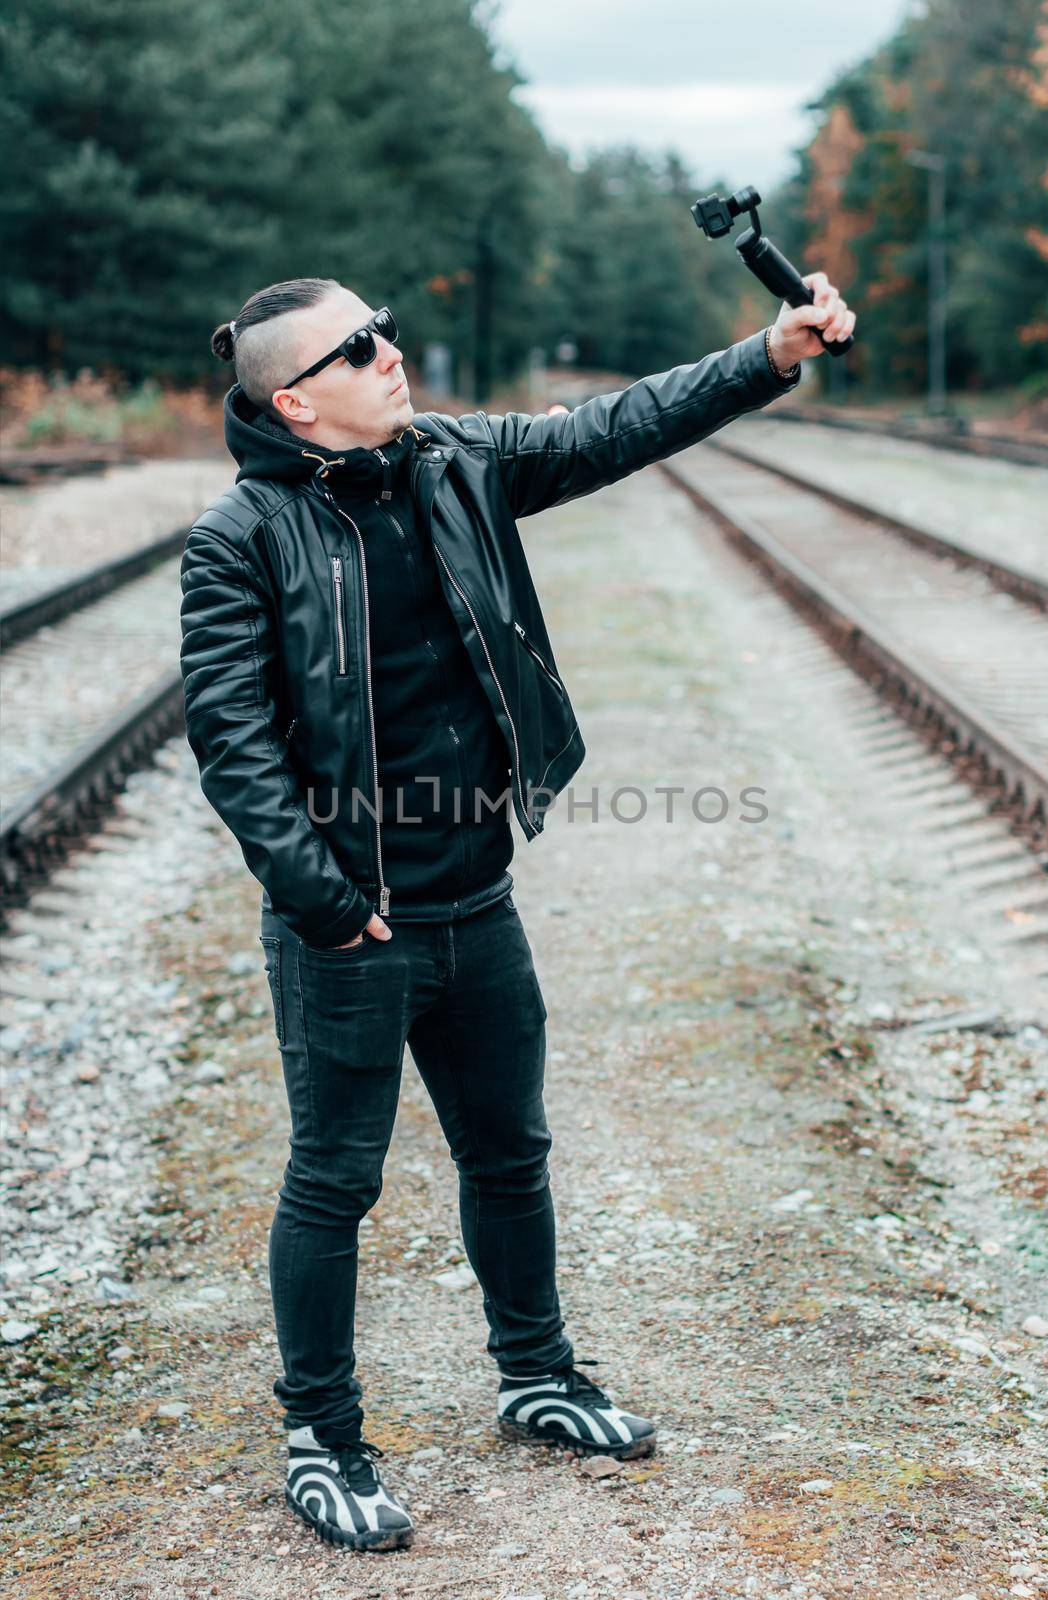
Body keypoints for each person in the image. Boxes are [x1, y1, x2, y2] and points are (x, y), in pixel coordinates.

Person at [179, 274, 856, 1554]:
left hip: (474, 899)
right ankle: (320, 1437)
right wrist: (324, 905)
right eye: (358, 345)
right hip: (354, 927)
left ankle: (534, 1374)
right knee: (334, 1180)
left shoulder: (454, 464)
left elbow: (611, 427)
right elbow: (232, 744)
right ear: (294, 398)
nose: (390, 354)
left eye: (382, 329)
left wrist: (766, 353)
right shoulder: (241, 538)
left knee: (509, 1154)